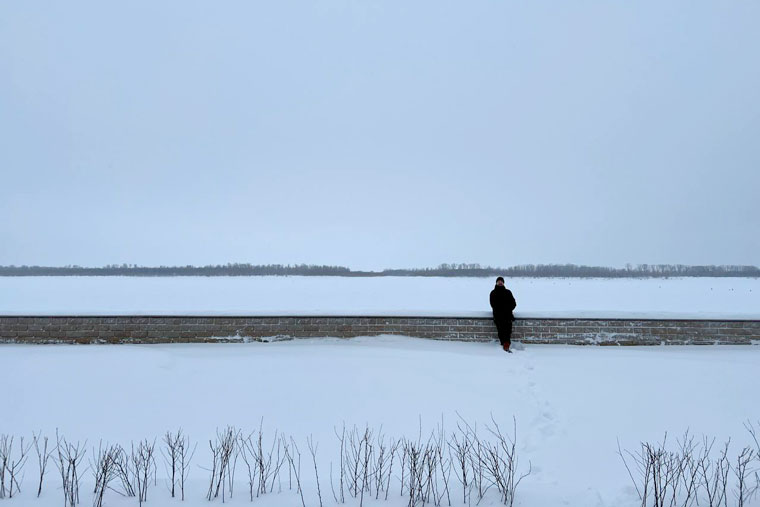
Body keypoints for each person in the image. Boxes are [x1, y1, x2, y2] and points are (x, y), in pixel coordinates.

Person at [489, 276, 516, 352]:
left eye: (501, 281)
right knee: (501, 332)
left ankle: (506, 346)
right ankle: (503, 346)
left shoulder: (508, 292)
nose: (500, 282)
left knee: (507, 331)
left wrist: (508, 309)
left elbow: (513, 303)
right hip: (498, 317)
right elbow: (493, 304)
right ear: (496, 283)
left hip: (508, 316)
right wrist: (502, 309)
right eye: (499, 281)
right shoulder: (493, 293)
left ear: (503, 283)